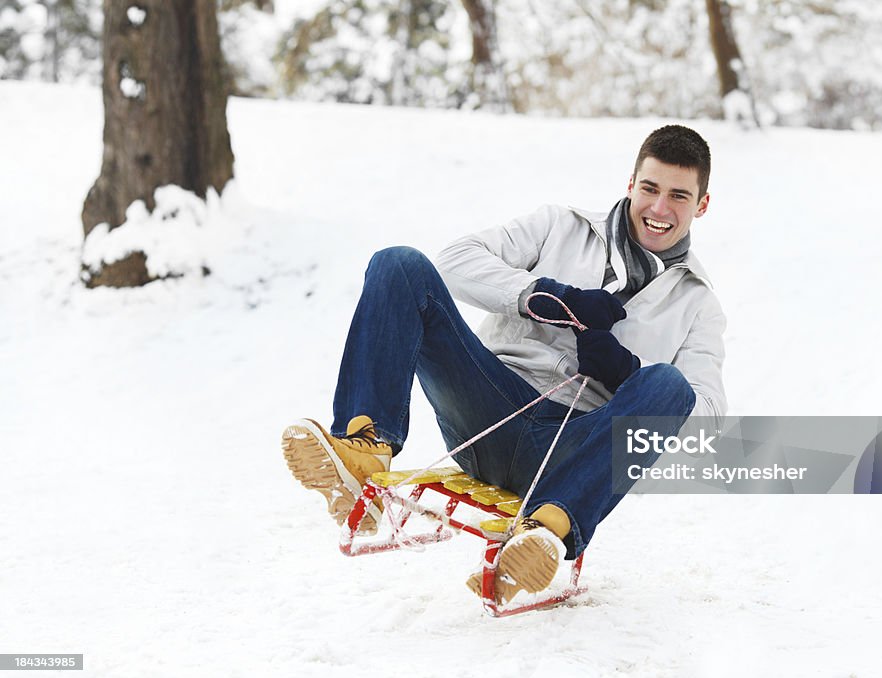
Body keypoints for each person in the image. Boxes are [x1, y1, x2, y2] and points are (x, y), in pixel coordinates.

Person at [282, 125, 727, 604]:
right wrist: (546, 296)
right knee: (399, 265)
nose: (660, 209)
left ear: (701, 204)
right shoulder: (561, 225)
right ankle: (365, 445)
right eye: (650, 188)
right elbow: (454, 261)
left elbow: (707, 417)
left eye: (679, 196)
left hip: (572, 452)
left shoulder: (698, 303)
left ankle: (542, 534)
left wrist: (624, 372)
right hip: (488, 408)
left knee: (669, 385)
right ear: (631, 183)